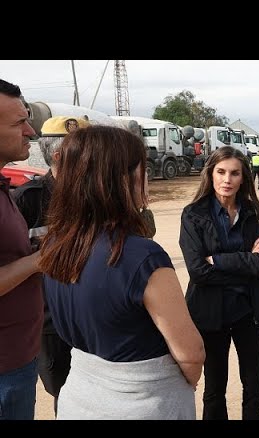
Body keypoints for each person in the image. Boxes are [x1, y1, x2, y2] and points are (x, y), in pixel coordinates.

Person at [39, 125, 205, 420]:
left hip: (79, 396)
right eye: (143, 170)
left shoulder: (56, 244)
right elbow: (190, 354)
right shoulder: (142, 256)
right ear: (120, 179)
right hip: (142, 403)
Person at [179, 145, 259, 420]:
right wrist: (246, 261)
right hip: (210, 314)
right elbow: (198, 270)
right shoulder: (193, 214)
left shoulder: (255, 213)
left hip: (250, 312)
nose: (227, 179)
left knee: (255, 386)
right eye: (221, 172)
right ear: (210, 174)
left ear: (243, 177)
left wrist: (218, 261)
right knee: (214, 388)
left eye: (234, 173)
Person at [12, 115, 90, 417]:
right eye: (87, 148)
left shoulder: (96, 196)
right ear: (60, 155)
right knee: (66, 395)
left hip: (95, 314)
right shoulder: (27, 200)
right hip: (52, 323)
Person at [0, 78, 44, 420]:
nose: (30, 131)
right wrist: (40, 260)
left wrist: (34, 247)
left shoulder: (4, 185)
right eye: (19, 123)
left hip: (18, 359)